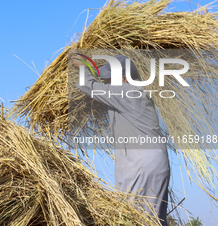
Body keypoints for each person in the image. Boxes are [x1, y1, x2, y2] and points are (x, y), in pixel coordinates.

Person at [71, 54, 170, 226]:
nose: (106, 83)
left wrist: (82, 66)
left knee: (133, 218)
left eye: (109, 79)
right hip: (152, 162)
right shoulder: (136, 93)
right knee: (152, 219)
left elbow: (88, 86)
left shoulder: (127, 91)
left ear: (124, 78)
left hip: (142, 163)